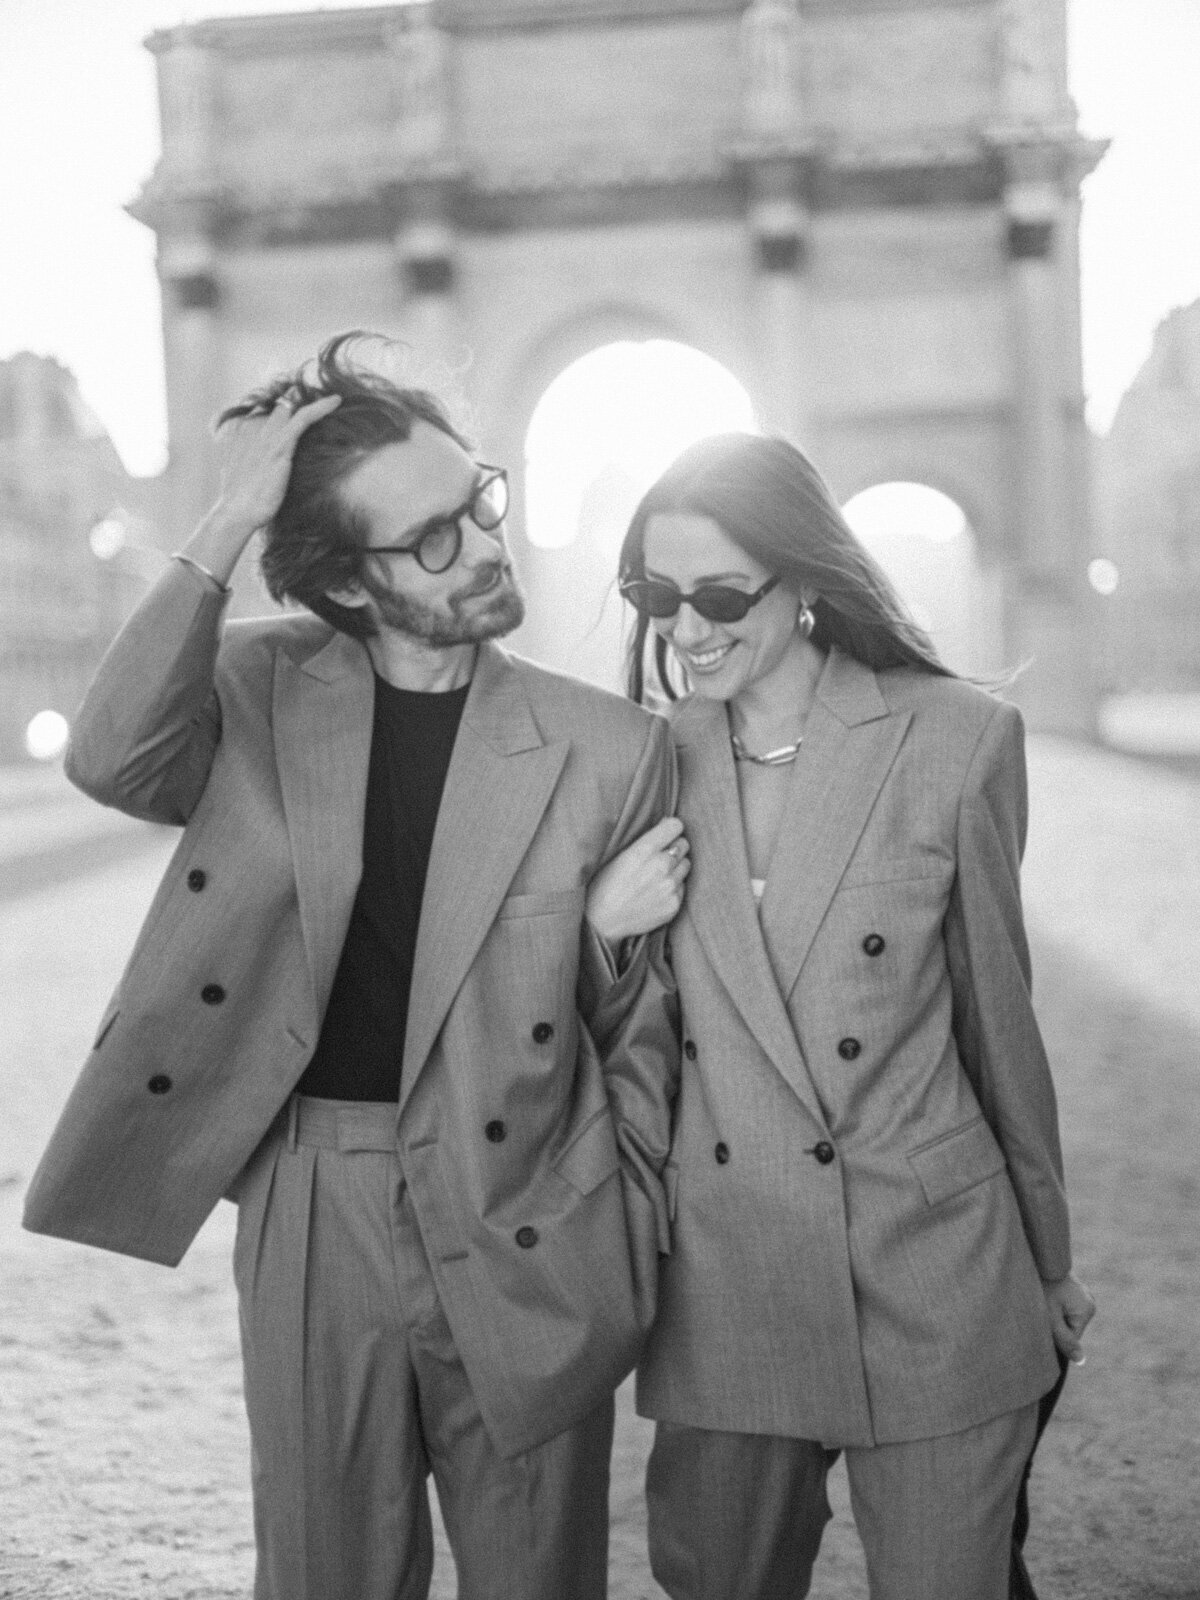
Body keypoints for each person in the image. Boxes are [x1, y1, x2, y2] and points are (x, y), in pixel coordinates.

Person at [24, 333, 680, 1600]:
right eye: (431, 537)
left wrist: (622, 1215)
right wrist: (226, 519)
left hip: (533, 1191)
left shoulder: (609, 747)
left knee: (540, 1575)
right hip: (315, 1194)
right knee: (327, 1570)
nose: (485, 544)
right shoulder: (261, 691)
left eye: (478, 500)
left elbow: (648, 1027)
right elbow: (111, 759)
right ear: (346, 583)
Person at [584, 431, 1095, 1600]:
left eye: (720, 593)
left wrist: (1049, 1260)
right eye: (656, 595)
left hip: (933, 1269)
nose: (686, 626)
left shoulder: (956, 740)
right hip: (726, 1278)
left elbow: (996, 1024)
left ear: (807, 579)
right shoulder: (640, 766)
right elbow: (611, 1042)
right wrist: (605, 929)